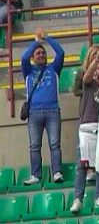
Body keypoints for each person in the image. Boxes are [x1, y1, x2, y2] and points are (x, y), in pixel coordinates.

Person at [21, 28, 65, 186]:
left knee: (54, 144)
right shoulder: (28, 71)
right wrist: (36, 43)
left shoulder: (54, 69)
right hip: (33, 113)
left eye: (43, 53)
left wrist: (48, 38)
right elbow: (24, 57)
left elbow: (60, 53)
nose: (41, 55)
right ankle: (35, 175)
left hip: (53, 111)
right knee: (34, 146)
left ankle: (57, 172)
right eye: (38, 54)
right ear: (34, 58)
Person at [69, 51, 99, 213]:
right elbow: (86, 77)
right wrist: (96, 60)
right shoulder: (89, 84)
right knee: (81, 166)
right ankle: (78, 198)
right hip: (86, 128)